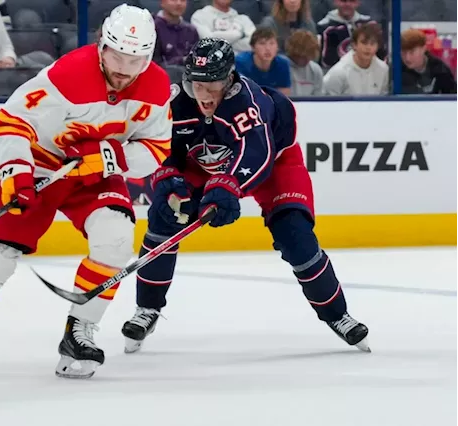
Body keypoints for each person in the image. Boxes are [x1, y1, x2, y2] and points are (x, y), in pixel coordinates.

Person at [0, 3, 172, 380]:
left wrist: (109, 157)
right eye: (116, 57)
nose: (122, 70)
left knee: (115, 241)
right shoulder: (67, 75)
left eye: (134, 62)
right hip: (41, 165)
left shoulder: (156, 86)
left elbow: (156, 149)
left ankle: (79, 334)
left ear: (147, 57)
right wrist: (16, 174)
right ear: (102, 45)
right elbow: (8, 123)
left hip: (97, 173)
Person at [120, 37, 370, 355]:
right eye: (198, 85)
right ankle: (147, 309)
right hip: (200, 165)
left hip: (275, 164)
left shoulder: (248, 102)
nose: (204, 95)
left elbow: (257, 153)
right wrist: (168, 178)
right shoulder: (174, 103)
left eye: (213, 86)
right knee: (163, 216)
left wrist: (226, 187)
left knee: (295, 235)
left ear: (229, 80)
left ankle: (338, 315)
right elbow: (160, 146)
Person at [323, 22, 388, 95]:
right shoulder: (338, 72)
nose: (368, 48)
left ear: (378, 47)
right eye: (364, 43)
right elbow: (328, 104)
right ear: (354, 45)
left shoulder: (383, 69)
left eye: (372, 44)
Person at [235, 28, 291, 96]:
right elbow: (240, 95)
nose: (268, 48)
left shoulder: (283, 64)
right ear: (253, 47)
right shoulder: (241, 63)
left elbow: (284, 96)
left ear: (277, 47)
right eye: (262, 43)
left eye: (272, 43)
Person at [400, 28, 456, 95]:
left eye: (412, 52)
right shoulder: (397, 70)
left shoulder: (441, 70)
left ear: (424, 49)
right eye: (403, 52)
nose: (407, 58)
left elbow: (452, 98)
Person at [190, 0, 256, 54]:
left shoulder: (244, 19)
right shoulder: (200, 16)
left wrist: (219, 38)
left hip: (242, 66)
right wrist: (240, 34)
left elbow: (255, 45)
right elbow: (210, 42)